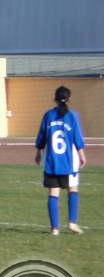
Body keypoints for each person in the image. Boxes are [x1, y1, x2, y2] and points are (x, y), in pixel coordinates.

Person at [35, 86, 86, 235]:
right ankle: (72, 223)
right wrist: (82, 155)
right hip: (69, 162)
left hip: (52, 161)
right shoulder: (72, 116)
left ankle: (55, 229)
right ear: (69, 99)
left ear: (55, 98)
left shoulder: (48, 115)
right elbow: (77, 137)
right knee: (73, 189)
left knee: (53, 192)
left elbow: (42, 136)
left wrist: (38, 152)